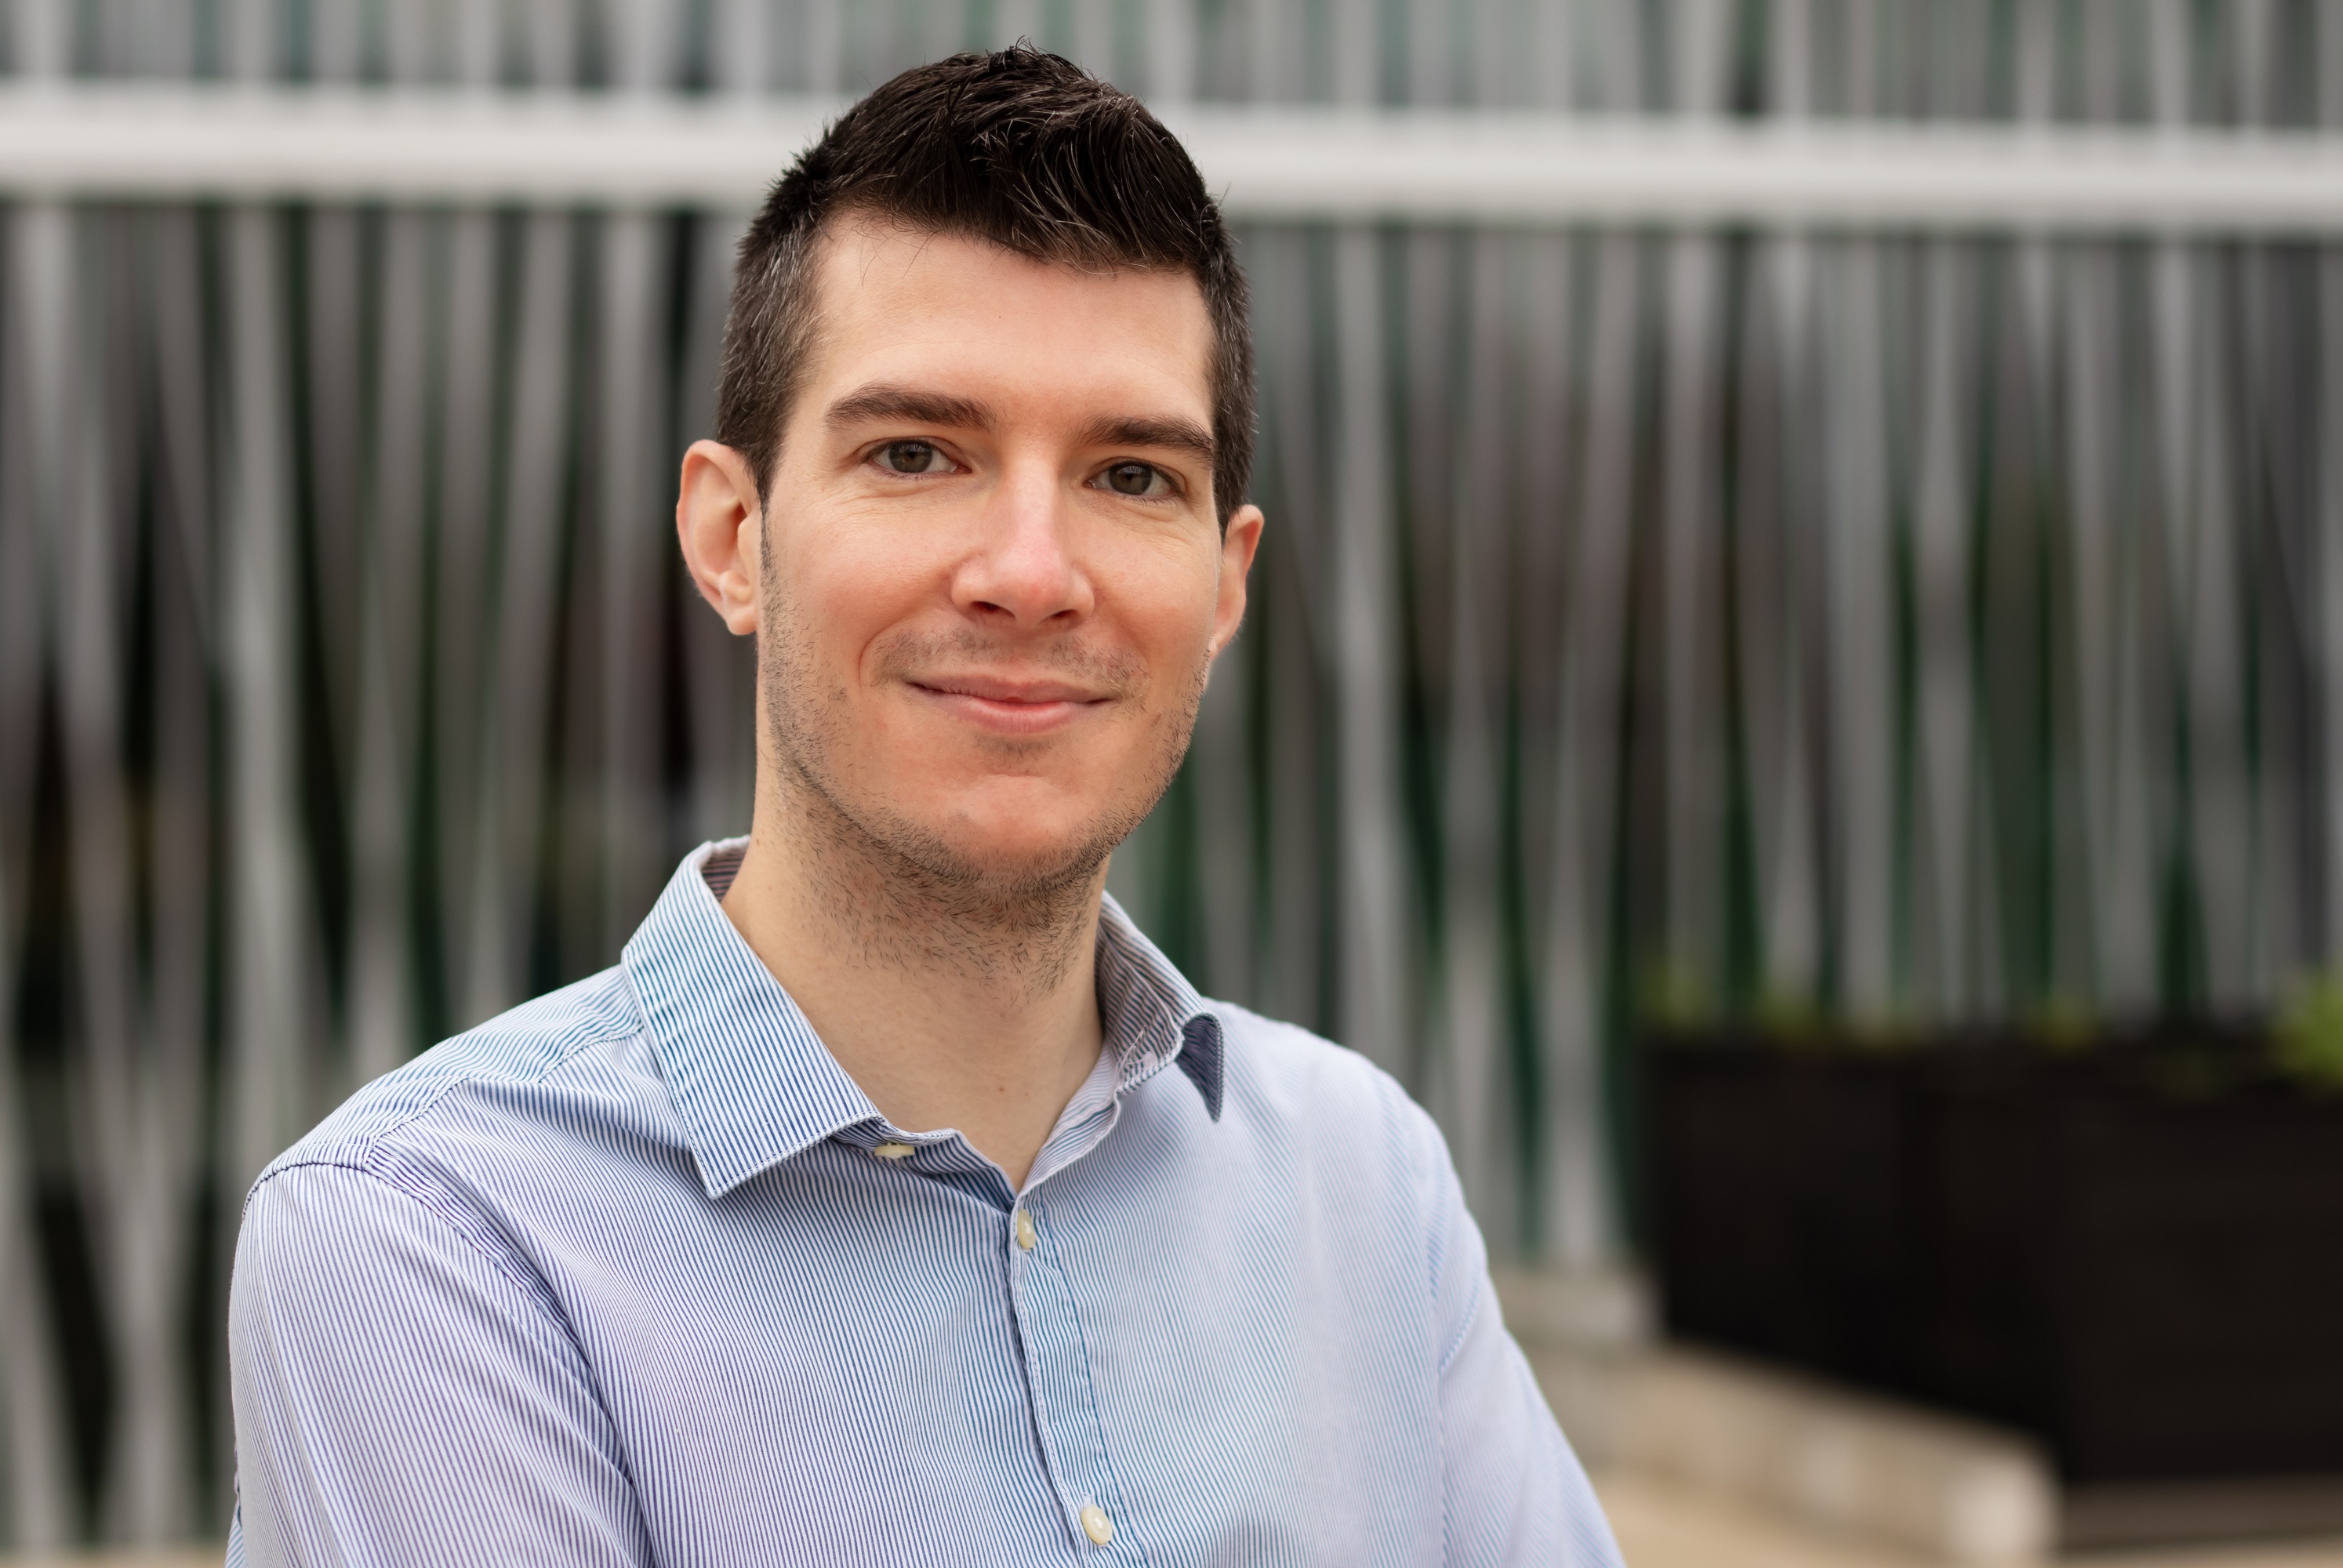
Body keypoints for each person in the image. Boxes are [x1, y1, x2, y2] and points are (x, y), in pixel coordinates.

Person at [226, 47, 1623, 1568]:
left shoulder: (1367, 1186)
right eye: (916, 453)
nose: (1030, 572)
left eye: (1131, 476)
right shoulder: (437, 1242)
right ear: (732, 535)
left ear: (1226, 584)